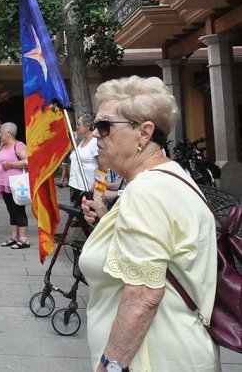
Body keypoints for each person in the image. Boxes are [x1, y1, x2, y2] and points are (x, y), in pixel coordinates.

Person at [78, 76, 219, 372]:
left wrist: (110, 366)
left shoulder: (146, 191)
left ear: (144, 132)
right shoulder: (169, 177)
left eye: (104, 125)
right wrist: (108, 220)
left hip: (152, 360)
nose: (94, 134)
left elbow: (143, 296)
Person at [0, 122, 30, 249]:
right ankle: (14, 237)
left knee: (18, 210)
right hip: (4, 184)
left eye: (1, 133)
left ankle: (24, 239)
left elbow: (27, 161)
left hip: (15, 184)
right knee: (11, 210)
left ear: (8, 134)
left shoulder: (18, 145)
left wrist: (11, 165)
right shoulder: (3, 147)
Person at [66, 112, 99, 207]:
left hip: (88, 188)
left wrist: (98, 187)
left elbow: (103, 166)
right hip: (75, 186)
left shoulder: (95, 142)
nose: (76, 127)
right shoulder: (82, 141)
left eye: (78, 124)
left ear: (88, 126)